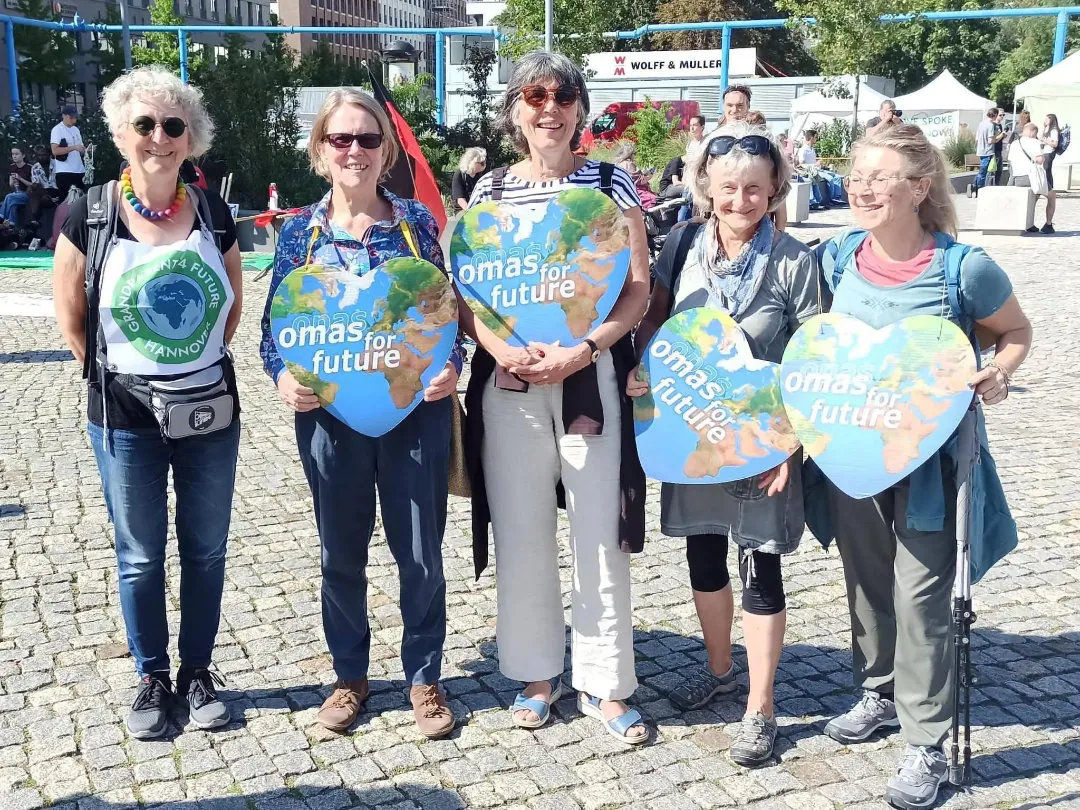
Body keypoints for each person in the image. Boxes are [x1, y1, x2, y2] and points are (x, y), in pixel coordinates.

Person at [819, 124, 1032, 810]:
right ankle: (878, 693)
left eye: (880, 178)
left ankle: (927, 744)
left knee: (921, 599)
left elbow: (1017, 333)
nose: (862, 188)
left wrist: (997, 372)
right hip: (853, 452)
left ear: (919, 188)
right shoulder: (839, 256)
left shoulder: (962, 269)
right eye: (858, 176)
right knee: (866, 583)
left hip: (931, 464)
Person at [259, 87, 465, 740]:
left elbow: (444, 311)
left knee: (421, 555)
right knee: (339, 557)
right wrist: (282, 376)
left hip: (413, 417)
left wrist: (450, 365)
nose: (355, 151)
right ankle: (350, 676)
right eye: (341, 139)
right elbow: (274, 330)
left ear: (387, 152)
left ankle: (424, 676)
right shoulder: (300, 234)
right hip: (330, 422)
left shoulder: (415, 225)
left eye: (368, 139)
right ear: (321, 151)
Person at [461, 50, 652, 745]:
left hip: (587, 375)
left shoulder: (611, 183)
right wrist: (497, 347)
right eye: (535, 95)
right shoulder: (487, 193)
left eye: (563, 94)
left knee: (600, 532)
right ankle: (536, 674)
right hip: (510, 380)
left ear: (580, 108)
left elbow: (637, 287)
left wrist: (588, 348)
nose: (550, 107)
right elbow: (471, 293)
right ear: (515, 110)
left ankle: (604, 685)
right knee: (521, 528)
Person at [52, 66, 243, 739]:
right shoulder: (89, 211)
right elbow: (72, 318)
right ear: (118, 134)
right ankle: (152, 676)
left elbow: (231, 312)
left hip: (208, 411)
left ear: (191, 139)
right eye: (144, 125)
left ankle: (197, 672)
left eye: (172, 126)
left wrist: (184, 368)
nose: (158, 138)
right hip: (125, 416)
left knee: (206, 549)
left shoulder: (214, 212)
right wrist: (124, 376)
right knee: (139, 553)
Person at [626, 123, 820, 767]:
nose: (741, 201)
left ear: (775, 191)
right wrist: (644, 367)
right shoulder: (680, 244)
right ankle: (718, 673)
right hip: (692, 428)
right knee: (704, 554)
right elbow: (653, 315)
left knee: (762, 565)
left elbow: (815, 357)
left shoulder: (794, 260)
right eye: (729, 187)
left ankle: (760, 705)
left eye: (756, 190)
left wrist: (792, 443)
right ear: (706, 186)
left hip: (764, 438)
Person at [1007, 122, 1054, 234]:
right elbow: (1040, 160)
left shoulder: (1014, 143)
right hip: (1031, 177)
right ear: (1033, 132)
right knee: (1052, 195)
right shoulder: (1034, 142)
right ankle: (1048, 224)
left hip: (1018, 177)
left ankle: (1029, 223)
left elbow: (1010, 161)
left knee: (1033, 197)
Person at [51, 104, 87, 198]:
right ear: (64, 116)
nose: (73, 120)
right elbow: (55, 151)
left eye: (75, 118)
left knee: (81, 198)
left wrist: (87, 150)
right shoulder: (57, 130)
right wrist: (74, 147)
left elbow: (81, 149)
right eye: (71, 118)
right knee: (66, 200)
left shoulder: (76, 130)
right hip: (64, 171)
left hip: (79, 170)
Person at [796, 129, 833, 208]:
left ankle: (821, 201)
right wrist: (815, 165)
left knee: (832, 176)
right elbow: (801, 164)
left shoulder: (812, 149)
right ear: (811, 138)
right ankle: (820, 201)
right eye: (816, 137)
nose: (817, 139)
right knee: (824, 178)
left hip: (815, 170)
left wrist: (821, 165)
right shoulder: (803, 150)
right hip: (809, 171)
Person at [972, 107, 1005, 194]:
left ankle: (974, 186)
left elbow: (977, 137)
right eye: (998, 115)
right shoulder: (990, 125)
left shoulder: (981, 123)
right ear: (994, 115)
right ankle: (979, 189)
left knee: (982, 171)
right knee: (985, 172)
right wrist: (999, 137)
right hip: (988, 151)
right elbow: (990, 141)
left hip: (981, 150)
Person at [1039, 113, 1062, 234]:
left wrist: (1045, 140)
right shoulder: (1046, 129)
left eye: (1047, 118)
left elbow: (1055, 143)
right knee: (1044, 170)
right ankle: (1047, 185)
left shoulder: (1053, 130)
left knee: (1046, 169)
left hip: (1048, 152)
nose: (1045, 120)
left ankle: (1048, 186)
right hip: (1044, 151)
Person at [1, 147, 33, 224]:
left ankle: (1, 216)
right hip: (17, 193)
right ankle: (12, 224)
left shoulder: (30, 167)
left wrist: (20, 178)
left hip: (28, 194)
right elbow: (11, 185)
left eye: (17, 154)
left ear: (23, 155)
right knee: (13, 205)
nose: (14, 156)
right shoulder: (12, 167)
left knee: (9, 197)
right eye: (13, 154)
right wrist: (13, 183)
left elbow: (33, 185)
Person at [451, 146, 486, 212]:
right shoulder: (459, 175)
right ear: (472, 162)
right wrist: (470, 212)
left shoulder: (481, 175)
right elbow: (460, 199)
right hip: (463, 210)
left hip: (478, 209)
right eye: (482, 163)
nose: (484, 165)